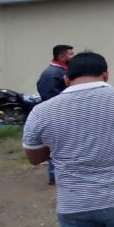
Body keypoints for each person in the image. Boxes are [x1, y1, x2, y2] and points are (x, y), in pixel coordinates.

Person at [23, 52, 114, 226]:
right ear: (106, 75)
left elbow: (35, 158)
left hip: (73, 205)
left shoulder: (41, 111)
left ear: (66, 80)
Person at [35, 44, 75, 185]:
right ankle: (55, 176)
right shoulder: (51, 74)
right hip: (57, 117)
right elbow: (50, 98)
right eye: (70, 54)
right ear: (61, 56)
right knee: (57, 146)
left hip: (65, 115)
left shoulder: (62, 71)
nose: (73, 56)